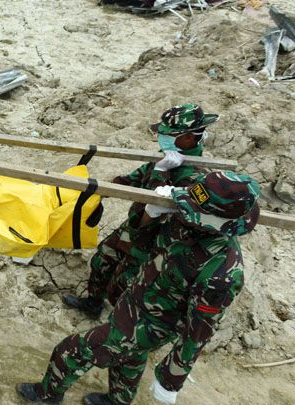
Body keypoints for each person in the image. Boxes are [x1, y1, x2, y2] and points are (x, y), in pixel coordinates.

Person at [17, 171, 260, 405]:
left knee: (71, 350)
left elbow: (198, 333)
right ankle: (118, 401)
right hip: (135, 299)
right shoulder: (188, 221)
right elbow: (138, 241)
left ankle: (48, 393)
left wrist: (171, 379)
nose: (187, 213)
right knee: (130, 359)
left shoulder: (221, 272)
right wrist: (149, 213)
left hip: (152, 326)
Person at [63, 103, 218, 318]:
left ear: (189, 138)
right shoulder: (168, 157)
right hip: (135, 226)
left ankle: (118, 326)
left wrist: (161, 172)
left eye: (167, 134)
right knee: (102, 259)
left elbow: (158, 200)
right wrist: (98, 189)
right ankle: (93, 304)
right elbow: (134, 179)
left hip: (153, 240)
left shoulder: (195, 177)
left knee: (125, 283)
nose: (161, 138)